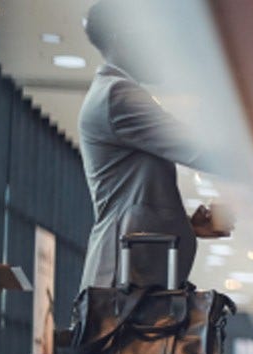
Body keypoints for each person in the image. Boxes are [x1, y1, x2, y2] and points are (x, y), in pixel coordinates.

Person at [78, 0, 232, 290]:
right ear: (122, 36)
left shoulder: (113, 91)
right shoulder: (117, 94)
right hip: (123, 281)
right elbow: (202, 150)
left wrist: (185, 224)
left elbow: (134, 198)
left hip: (130, 278)